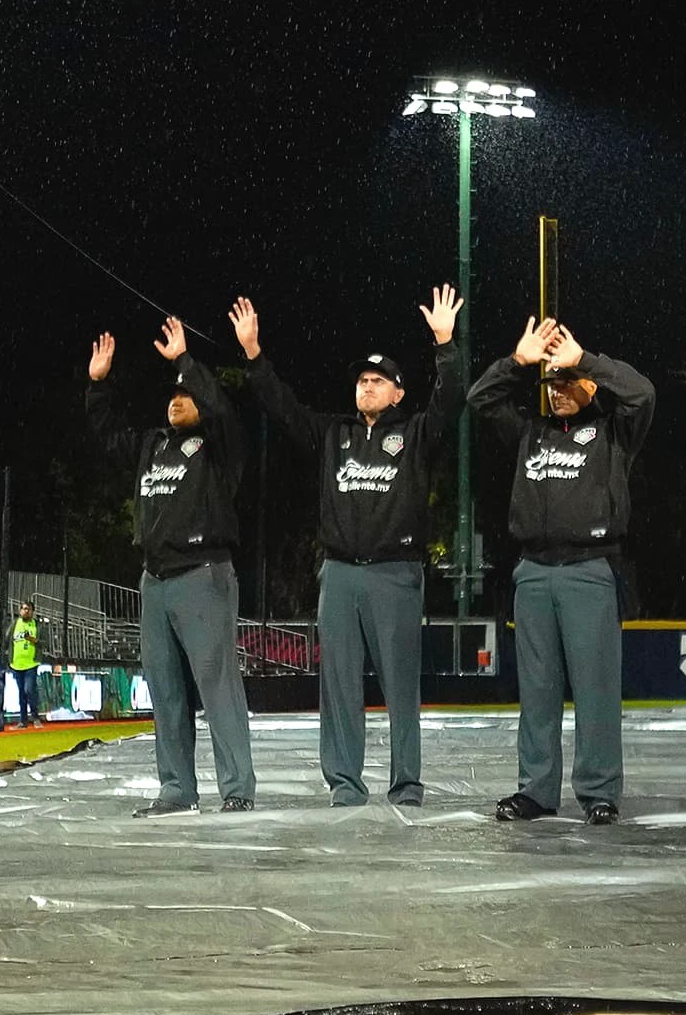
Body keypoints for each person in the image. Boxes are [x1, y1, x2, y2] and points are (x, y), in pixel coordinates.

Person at [231, 284, 463, 807]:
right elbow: (283, 407)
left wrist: (446, 345)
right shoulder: (333, 434)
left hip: (395, 572)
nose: (368, 386)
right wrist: (253, 355)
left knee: (401, 687)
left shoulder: (417, 434)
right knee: (337, 687)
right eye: (362, 380)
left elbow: (452, 401)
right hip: (338, 574)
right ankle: (345, 784)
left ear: (399, 393)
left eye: (379, 380)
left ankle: (406, 785)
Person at [470, 317, 656, 824]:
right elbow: (480, 400)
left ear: (587, 384)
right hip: (532, 571)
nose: (558, 392)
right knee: (537, 689)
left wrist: (585, 360)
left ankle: (598, 792)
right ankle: (536, 790)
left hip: (589, 569)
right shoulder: (530, 430)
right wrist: (519, 362)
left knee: (595, 689)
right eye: (551, 384)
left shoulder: (612, 432)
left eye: (567, 382)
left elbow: (642, 394)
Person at [85, 316, 257, 816]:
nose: (176, 399)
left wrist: (185, 360)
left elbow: (221, 408)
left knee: (216, 685)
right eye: (171, 395)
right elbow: (108, 436)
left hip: (203, 573)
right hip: (155, 580)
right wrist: (98, 386)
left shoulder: (220, 446)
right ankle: (177, 788)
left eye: (186, 394)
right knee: (165, 691)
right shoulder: (153, 445)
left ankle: (238, 788)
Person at [5, 601, 45, 728]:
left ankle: (35, 717)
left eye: (28, 609)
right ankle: (23, 721)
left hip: (31, 663)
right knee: (21, 692)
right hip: (16, 664)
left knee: (29, 690)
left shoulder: (37, 625)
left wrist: (32, 639)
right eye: (23, 609)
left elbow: (44, 643)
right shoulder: (15, 624)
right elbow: (6, 641)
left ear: (33, 611)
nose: (25, 611)